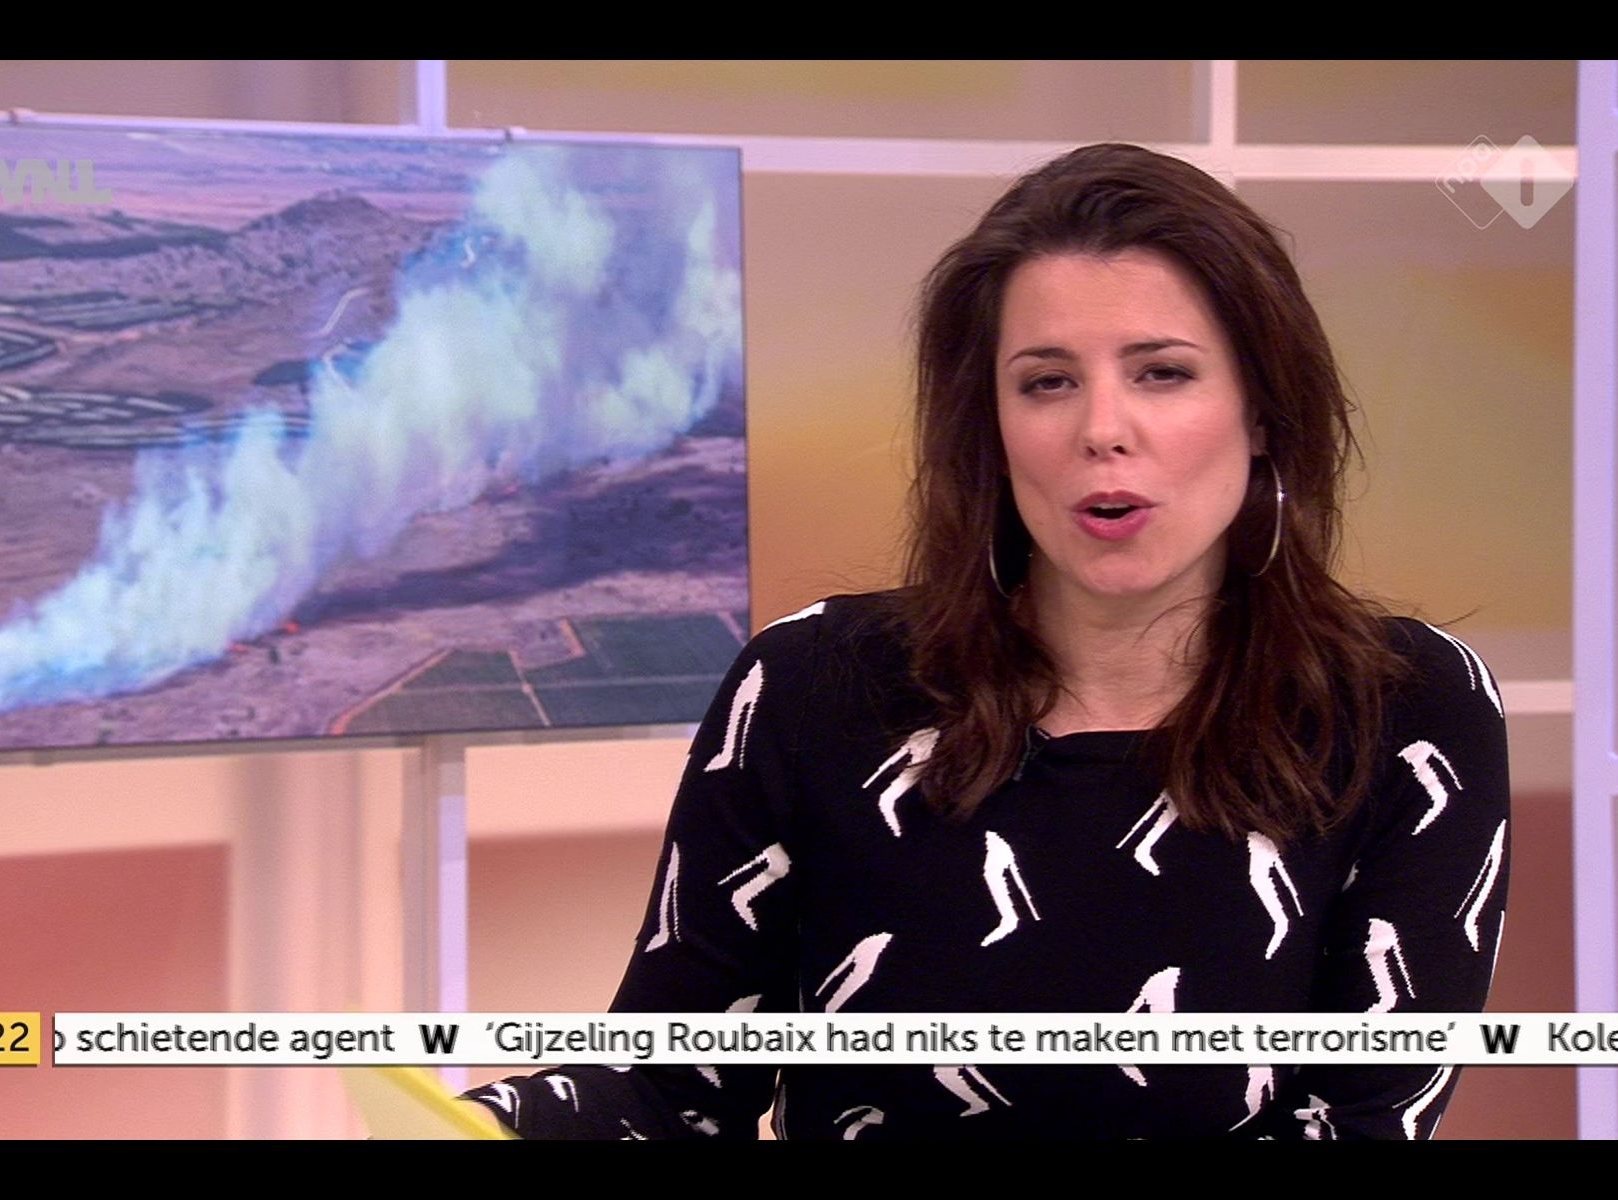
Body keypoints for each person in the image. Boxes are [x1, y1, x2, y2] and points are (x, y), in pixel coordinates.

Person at [460, 143, 1510, 1140]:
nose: (1102, 429)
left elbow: (1364, 1119)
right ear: (992, 426)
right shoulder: (812, 684)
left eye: (1162, 373)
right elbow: (670, 1089)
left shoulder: (1408, 708)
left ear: (1264, 411)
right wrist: (461, 1119)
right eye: (1047, 381)